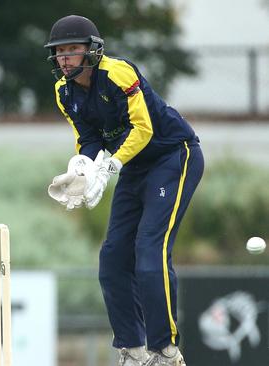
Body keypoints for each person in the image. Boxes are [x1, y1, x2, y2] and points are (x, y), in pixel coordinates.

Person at [45, 15, 204, 366]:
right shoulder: (63, 92)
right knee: (113, 259)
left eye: (73, 50)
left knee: (150, 250)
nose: (65, 58)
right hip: (134, 166)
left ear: (92, 50)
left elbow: (143, 129)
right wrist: (81, 170)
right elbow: (88, 140)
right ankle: (133, 350)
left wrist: (111, 166)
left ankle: (165, 350)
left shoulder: (117, 73)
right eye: (60, 52)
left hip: (173, 156)